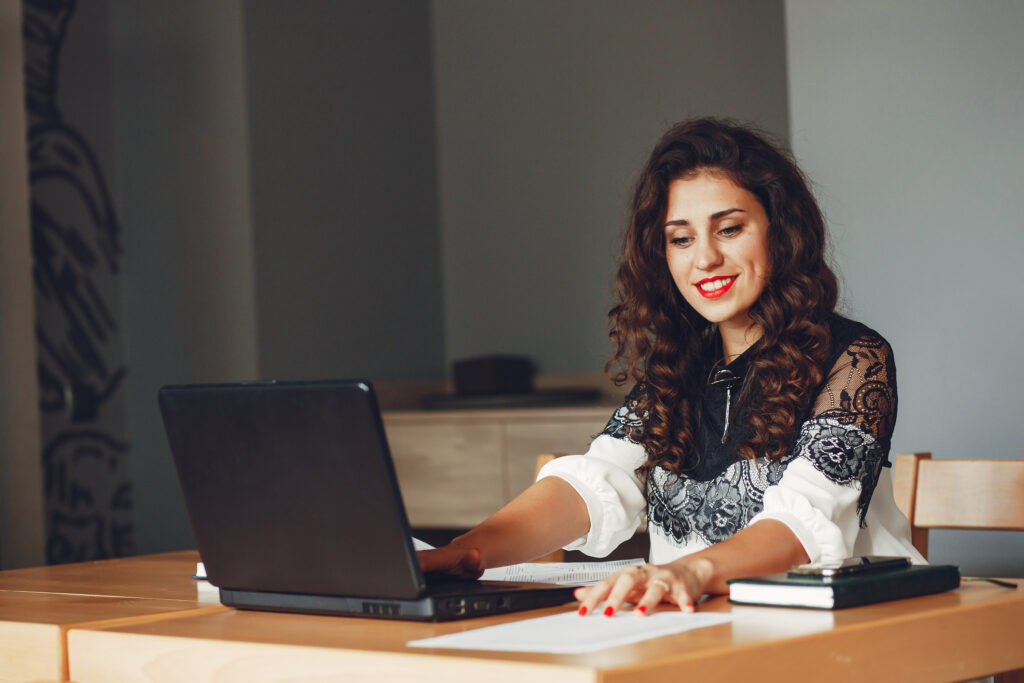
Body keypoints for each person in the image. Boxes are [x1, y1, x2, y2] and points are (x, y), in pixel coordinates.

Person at [418, 117, 923, 617]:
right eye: (680, 239)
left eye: (729, 229)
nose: (704, 258)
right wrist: (468, 550)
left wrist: (690, 570)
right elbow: (596, 484)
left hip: (847, 635)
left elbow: (802, 526)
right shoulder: (678, 369)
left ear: (781, 233)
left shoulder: (856, 360)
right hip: (700, 636)